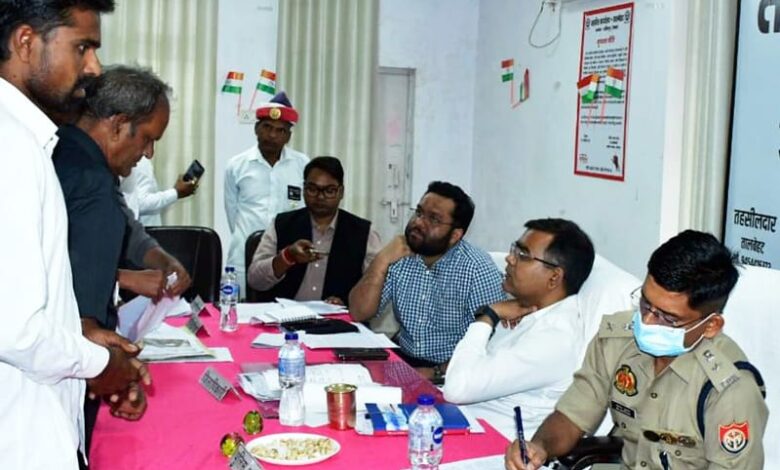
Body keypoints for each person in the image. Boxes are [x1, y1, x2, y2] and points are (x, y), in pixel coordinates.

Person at [0, 2, 149, 469]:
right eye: (82, 47)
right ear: (26, 43)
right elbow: (17, 329)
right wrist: (101, 365)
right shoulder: (12, 147)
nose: (93, 67)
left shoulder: (29, 141)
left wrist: (85, 343)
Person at [505, 230, 768, 470]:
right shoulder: (617, 339)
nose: (647, 321)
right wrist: (539, 447)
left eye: (667, 318)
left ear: (710, 326)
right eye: (645, 303)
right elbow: (572, 416)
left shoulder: (730, 390)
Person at [52, 65, 187, 458]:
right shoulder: (91, 184)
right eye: (148, 139)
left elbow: (124, 225)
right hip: (57, 381)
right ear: (118, 125)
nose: (148, 153)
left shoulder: (65, 154)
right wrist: (113, 372)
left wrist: (158, 257)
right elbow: (84, 326)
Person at [444, 218, 595, 440]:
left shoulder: (554, 338)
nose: (510, 258)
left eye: (523, 255)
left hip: (493, 444)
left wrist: (488, 315)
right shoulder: (527, 311)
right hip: (465, 422)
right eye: (514, 249)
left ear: (554, 277)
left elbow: (458, 388)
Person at [349, 181, 506, 378]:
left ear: (455, 235)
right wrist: (381, 261)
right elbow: (359, 312)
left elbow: (492, 343)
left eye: (433, 219)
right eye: (419, 212)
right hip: (405, 360)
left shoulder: (477, 269)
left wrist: (436, 372)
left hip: (453, 372)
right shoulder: (399, 255)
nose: (418, 223)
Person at [247, 156, 381, 305]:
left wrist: (350, 304)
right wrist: (287, 257)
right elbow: (254, 280)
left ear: (341, 192)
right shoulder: (281, 224)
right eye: (312, 189)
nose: (320, 197)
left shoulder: (363, 232)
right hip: (285, 315)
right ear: (304, 189)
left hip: (338, 318)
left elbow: (377, 290)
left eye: (329, 191)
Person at [224, 91, 309, 290]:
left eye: (280, 130)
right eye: (267, 127)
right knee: (241, 307)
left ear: (288, 136)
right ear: (256, 129)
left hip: (288, 259)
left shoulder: (303, 165)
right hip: (244, 257)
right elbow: (232, 213)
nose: (272, 135)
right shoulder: (236, 165)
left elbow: (305, 213)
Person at [120, 155, 197, 225]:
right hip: (142, 230)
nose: (149, 152)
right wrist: (176, 193)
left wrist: (177, 191)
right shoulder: (141, 162)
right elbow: (139, 203)